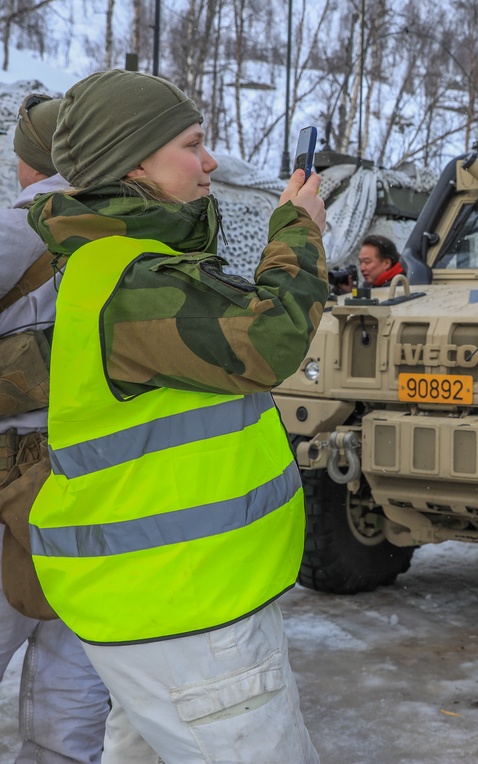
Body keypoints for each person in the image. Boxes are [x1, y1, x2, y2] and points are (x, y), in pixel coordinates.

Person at [24, 69, 328, 763]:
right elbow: (267, 341)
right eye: (194, 143)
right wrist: (300, 232)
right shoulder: (132, 281)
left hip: (162, 605)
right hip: (190, 616)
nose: (211, 162)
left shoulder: (120, 265)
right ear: (131, 161)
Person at [0, 92, 110, 764]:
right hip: (97, 481)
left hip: (15, 476)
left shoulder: (25, 219)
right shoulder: (135, 223)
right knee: (74, 667)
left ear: (29, 163)